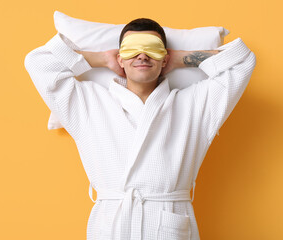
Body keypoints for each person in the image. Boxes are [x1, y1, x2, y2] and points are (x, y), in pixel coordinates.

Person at [24, 18, 256, 240]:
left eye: (153, 49)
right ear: (120, 57)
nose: (142, 55)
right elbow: (39, 61)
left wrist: (180, 59)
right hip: (112, 223)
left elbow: (243, 61)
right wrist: (102, 59)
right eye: (131, 49)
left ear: (165, 59)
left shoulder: (194, 105)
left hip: (168, 221)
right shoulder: (89, 102)